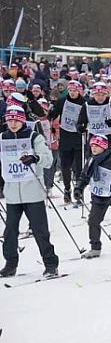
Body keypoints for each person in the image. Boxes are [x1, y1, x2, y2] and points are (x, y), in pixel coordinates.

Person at [0, 103, 60, 278]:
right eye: (9, 120)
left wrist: (35, 158)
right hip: (12, 194)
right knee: (10, 231)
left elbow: (47, 160)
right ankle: (10, 264)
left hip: (32, 191)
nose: (12, 123)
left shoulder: (33, 136)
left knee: (40, 230)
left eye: (16, 120)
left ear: (22, 120)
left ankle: (50, 264)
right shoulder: (3, 138)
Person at [48, 79, 85, 204]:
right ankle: (67, 189)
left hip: (79, 138)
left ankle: (79, 190)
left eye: (74, 91)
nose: (72, 93)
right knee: (65, 166)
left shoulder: (84, 102)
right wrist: (51, 114)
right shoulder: (62, 101)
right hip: (65, 138)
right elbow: (53, 114)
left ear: (79, 91)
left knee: (79, 168)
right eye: (70, 91)